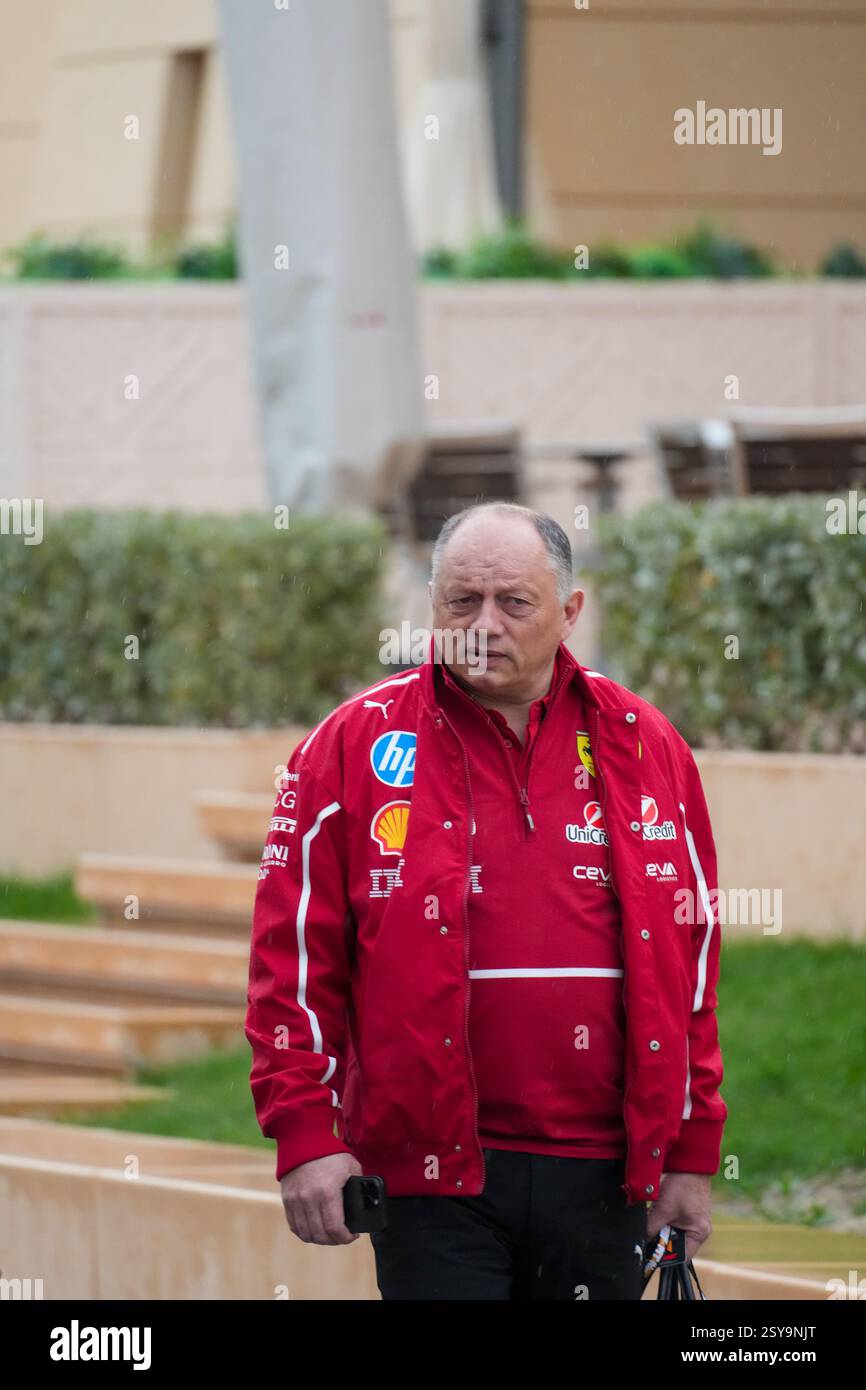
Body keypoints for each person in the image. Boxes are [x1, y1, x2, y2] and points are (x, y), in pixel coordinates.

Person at [246, 502, 727, 1300]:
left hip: (609, 1176)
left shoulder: (648, 745)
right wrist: (304, 1132)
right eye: (461, 601)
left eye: (514, 602)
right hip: (432, 1180)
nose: (485, 624)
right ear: (432, 607)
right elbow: (291, 960)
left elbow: (695, 963)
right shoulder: (350, 747)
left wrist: (690, 1149)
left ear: (570, 613)